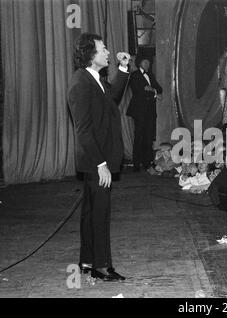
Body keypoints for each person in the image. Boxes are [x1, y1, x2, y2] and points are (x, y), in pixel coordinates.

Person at [67, 33, 130, 281]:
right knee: (100, 212)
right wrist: (100, 164)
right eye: (102, 49)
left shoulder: (95, 79)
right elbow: (83, 130)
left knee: (91, 211)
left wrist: (124, 67)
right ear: (90, 55)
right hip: (96, 159)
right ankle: (102, 266)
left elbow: (112, 100)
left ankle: (87, 261)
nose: (107, 52)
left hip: (98, 157)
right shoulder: (81, 83)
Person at [127, 57, 162, 172]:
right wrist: (153, 91)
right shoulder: (135, 75)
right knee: (139, 137)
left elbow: (159, 89)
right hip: (139, 111)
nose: (148, 64)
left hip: (150, 112)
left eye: (149, 62)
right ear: (140, 63)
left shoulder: (150, 75)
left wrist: (153, 90)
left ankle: (147, 163)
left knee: (148, 138)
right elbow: (139, 91)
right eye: (145, 62)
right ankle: (136, 164)